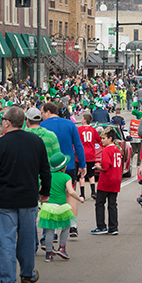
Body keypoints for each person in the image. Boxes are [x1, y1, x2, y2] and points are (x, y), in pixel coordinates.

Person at [0, 106, 51, 283]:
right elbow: (45, 169)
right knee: (27, 239)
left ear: (7, 122)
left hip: (5, 200)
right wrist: (45, 190)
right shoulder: (36, 141)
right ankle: (27, 275)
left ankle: (7, 282)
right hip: (29, 198)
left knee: (6, 241)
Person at [40, 102, 86, 238]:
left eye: (42, 112)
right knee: (70, 195)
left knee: (52, 198)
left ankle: (52, 231)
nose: (41, 116)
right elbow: (78, 145)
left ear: (48, 112)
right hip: (69, 165)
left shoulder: (43, 126)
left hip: (50, 167)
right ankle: (73, 226)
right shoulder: (70, 124)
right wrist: (83, 165)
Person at [38, 152, 83, 261]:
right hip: (61, 206)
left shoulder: (47, 175)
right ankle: (62, 247)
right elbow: (71, 192)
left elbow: (40, 189)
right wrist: (80, 198)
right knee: (67, 226)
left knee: (49, 230)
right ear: (64, 166)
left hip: (48, 206)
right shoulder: (66, 177)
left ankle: (48, 254)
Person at [92, 128, 122, 236]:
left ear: (110, 138)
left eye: (104, 138)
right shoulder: (117, 149)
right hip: (116, 179)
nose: (102, 140)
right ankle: (113, 227)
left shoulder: (106, 150)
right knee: (112, 204)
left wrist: (98, 166)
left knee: (100, 203)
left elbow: (105, 166)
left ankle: (101, 226)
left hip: (106, 180)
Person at [77, 113, 100, 200]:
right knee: (91, 174)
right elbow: (98, 139)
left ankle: (82, 194)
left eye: (82, 118)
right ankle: (93, 191)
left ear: (85, 120)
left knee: (81, 174)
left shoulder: (79, 129)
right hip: (91, 154)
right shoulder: (92, 129)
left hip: (82, 154)